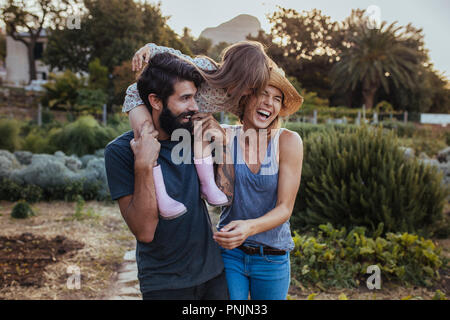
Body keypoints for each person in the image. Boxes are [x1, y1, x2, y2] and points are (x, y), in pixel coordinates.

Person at [104, 52, 229, 300]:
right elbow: (145, 231)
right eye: (185, 98)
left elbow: (228, 189)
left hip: (213, 274)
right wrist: (143, 165)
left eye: (194, 97)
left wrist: (221, 143)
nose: (194, 106)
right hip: (164, 284)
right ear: (156, 100)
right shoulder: (119, 152)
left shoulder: (194, 138)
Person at [123, 41, 271, 219]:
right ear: (235, 74)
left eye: (253, 89)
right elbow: (176, 56)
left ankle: (207, 185)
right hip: (139, 97)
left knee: (202, 128)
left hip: (185, 112)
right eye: (248, 86)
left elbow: (251, 114)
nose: (248, 92)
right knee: (146, 136)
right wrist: (149, 49)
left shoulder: (235, 97)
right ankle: (162, 198)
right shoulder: (206, 69)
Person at [213, 64, 304, 300]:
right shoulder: (222, 136)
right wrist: (154, 51)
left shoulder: (288, 142)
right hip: (230, 253)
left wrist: (248, 228)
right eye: (262, 93)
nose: (269, 103)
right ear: (246, 97)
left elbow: (285, 208)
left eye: (276, 98)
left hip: (272, 257)